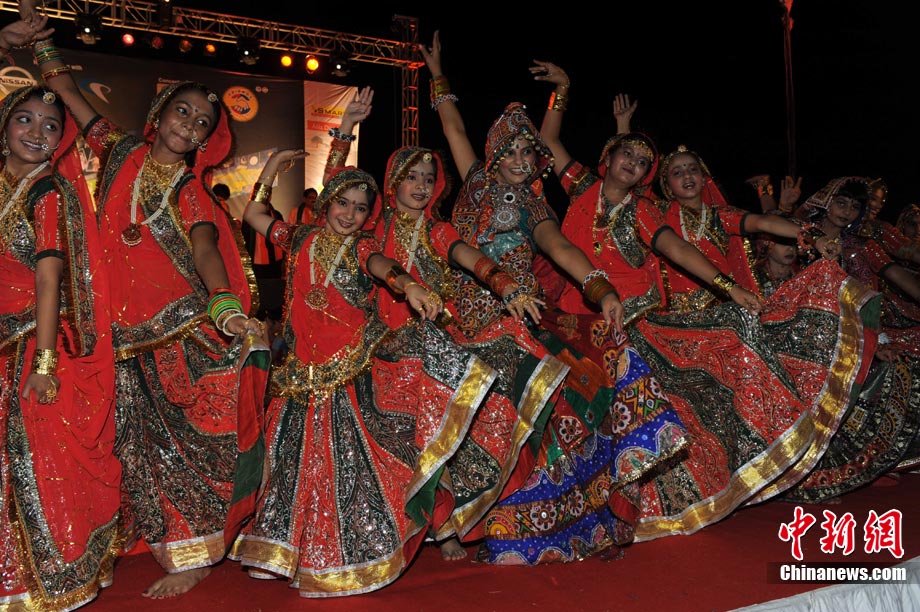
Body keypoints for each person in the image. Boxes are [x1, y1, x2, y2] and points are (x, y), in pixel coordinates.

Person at [531, 61, 878, 541]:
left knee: (720, 360)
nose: (634, 163)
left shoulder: (646, 212)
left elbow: (678, 249)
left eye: (643, 162)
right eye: (627, 154)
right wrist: (563, 91)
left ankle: (747, 473)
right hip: (574, 321)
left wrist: (730, 286)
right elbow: (548, 141)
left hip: (635, 321)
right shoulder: (580, 186)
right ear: (608, 158)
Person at [420, 34, 689, 565]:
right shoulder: (474, 181)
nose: (523, 159)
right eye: (513, 150)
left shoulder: (535, 208)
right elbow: (453, 127)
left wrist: (602, 289)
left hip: (512, 316)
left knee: (564, 395)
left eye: (530, 152)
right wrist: (437, 75)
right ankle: (448, 522)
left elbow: (562, 249)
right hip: (454, 316)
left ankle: (545, 521)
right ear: (495, 153)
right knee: (450, 418)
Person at [30, 22, 269, 598]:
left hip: (177, 332)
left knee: (191, 443)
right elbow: (67, 91)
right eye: (182, 112)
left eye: (202, 122)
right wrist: (35, 42)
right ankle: (130, 540)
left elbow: (206, 250)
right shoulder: (118, 150)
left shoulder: (190, 190)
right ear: (159, 115)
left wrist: (224, 307)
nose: (190, 124)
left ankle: (196, 553)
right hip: (116, 335)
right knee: (132, 447)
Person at [321, 88, 567, 561]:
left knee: (446, 429)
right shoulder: (370, 229)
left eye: (428, 178)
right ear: (393, 181)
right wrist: (346, 129)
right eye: (411, 177)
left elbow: (469, 256)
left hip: (431, 350)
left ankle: (447, 522)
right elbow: (335, 192)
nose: (420, 185)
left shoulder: (437, 229)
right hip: (375, 348)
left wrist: (506, 285)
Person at [232, 163, 494, 595]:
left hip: (348, 376)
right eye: (342, 203)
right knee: (291, 470)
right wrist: (272, 170)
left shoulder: (361, 246)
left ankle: (351, 553)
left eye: (360, 208)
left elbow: (381, 263)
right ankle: (288, 553)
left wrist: (406, 284)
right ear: (326, 202)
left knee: (356, 470)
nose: (349, 214)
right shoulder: (299, 238)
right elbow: (255, 214)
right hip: (298, 380)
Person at [0, 21, 123, 607]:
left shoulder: (47, 193)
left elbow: (50, 280)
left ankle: (39, 583)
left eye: (51, 126)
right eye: (24, 119)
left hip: (29, 343)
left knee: (31, 466)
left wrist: (45, 365)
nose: (37, 131)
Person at [774, 176, 920, 502]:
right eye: (841, 202)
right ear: (826, 201)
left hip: (844, 335)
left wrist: (878, 340)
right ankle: (788, 473)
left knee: (897, 367)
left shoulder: (861, 247)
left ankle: (831, 471)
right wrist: (783, 206)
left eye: (855, 206)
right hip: (793, 330)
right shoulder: (798, 234)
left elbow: (889, 283)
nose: (847, 211)